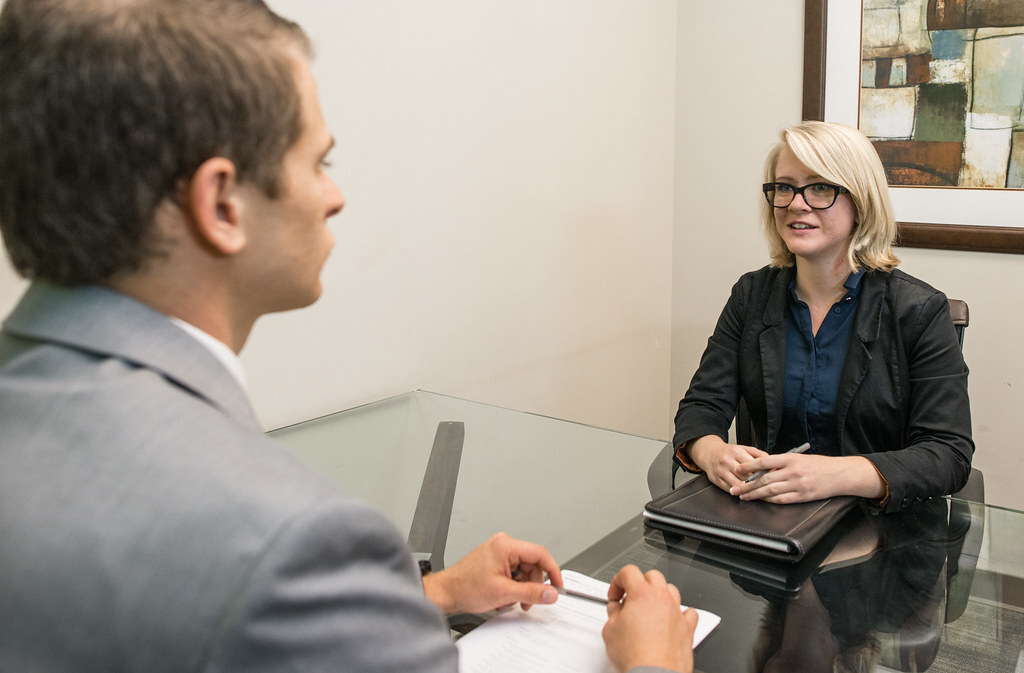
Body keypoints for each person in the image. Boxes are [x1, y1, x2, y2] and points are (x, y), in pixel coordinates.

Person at [0, 1, 696, 671]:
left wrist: (432, 595)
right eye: (318, 163)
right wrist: (655, 661)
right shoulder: (294, 542)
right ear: (220, 203)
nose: (333, 196)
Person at [672, 121, 973, 513]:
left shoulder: (919, 310)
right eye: (784, 187)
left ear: (860, 201)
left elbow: (948, 454)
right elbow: (701, 407)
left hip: (880, 535)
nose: (797, 203)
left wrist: (833, 475)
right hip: (769, 521)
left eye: (820, 187)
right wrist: (711, 451)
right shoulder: (751, 295)